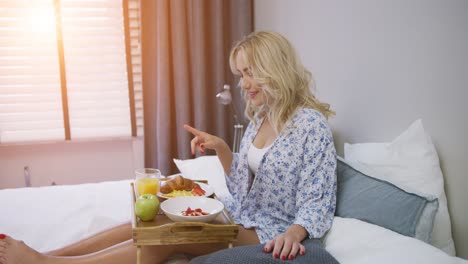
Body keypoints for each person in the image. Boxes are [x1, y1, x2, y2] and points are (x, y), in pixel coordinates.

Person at [0, 31, 337, 264]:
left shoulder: (309, 125)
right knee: (151, 217)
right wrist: (222, 149)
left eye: (249, 73)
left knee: (167, 236)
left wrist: (295, 233)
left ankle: (44, 263)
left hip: (267, 231)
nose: (242, 84)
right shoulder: (260, 118)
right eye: (240, 74)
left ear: (273, 70)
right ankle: (53, 252)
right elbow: (245, 190)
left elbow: (317, 199)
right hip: (240, 215)